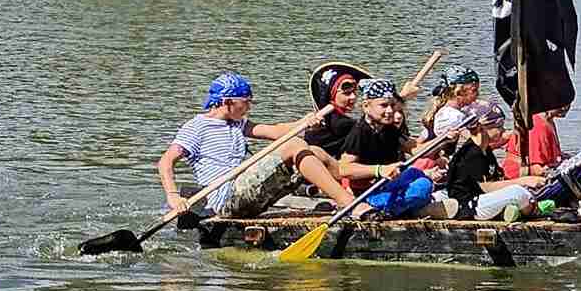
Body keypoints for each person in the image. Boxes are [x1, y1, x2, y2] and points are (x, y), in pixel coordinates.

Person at [157, 72, 355, 220]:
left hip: (245, 193)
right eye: (245, 103)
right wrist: (173, 197)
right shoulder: (197, 127)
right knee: (294, 145)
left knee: (314, 151)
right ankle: (348, 203)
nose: (248, 108)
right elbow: (166, 162)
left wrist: (305, 121)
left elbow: (275, 131)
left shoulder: (238, 123)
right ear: (227, 102)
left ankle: (356, 189)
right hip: (226, 200)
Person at [335, 78, 441, 219]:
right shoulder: (360, 132)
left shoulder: (389, 128)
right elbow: (345, 169)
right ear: (366, 106)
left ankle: (406, 206)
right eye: (384, 105)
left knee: (418, 175)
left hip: (387, 184)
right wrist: (380, 170)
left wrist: (444, 139)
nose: (390, 111)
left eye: (392, 105)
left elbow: (416, 149)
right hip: (368, 192)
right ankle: (389, 210)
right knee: (420, 189)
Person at [442, 100, 541, 221]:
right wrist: (523, 181)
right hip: (470, 205)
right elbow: (485, 187)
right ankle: (525, 210)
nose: (503, 130)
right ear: (481, 128)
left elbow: (496, 178)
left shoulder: (486, 150)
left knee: (527, 192)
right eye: (498, 126)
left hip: (484, 200)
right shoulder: (470, 154)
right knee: (518, 192)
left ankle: (514, 210)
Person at [421, 65, 481, 140]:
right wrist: (480, 128)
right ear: (459, 92)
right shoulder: (453, 117)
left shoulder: (448, 111)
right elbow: (478, 144)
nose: (478, 94)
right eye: (474, 90)